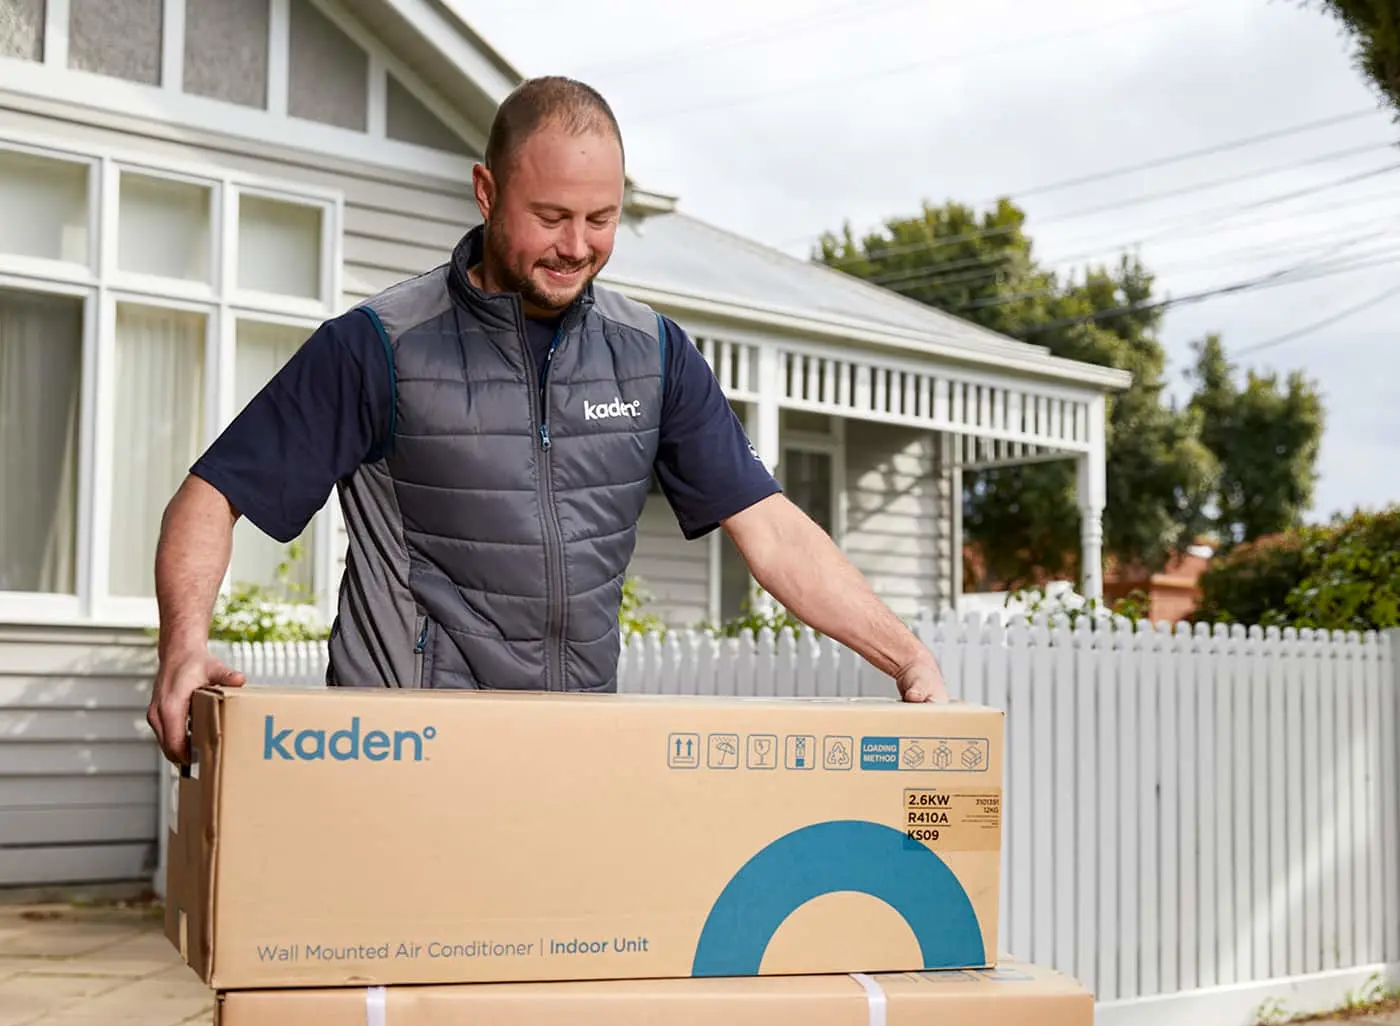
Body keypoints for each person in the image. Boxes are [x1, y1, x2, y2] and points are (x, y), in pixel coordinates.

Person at [146, 76, 949, 766]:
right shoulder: (380, 347)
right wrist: (183, 648)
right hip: (402, 754)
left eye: (601, 219)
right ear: (487, 192)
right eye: (552, 216)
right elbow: (212, 494)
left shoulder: (653, 355)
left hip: (569, 755)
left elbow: (771, 529)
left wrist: (906, 657)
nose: (577, 246)